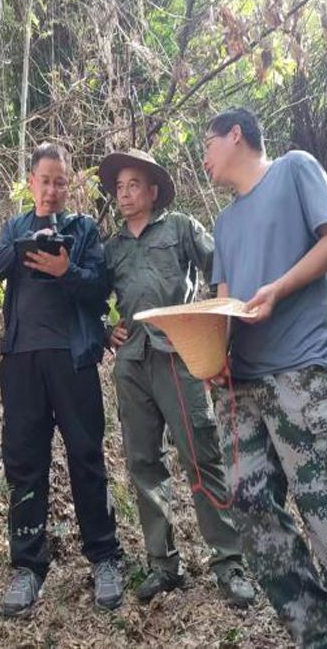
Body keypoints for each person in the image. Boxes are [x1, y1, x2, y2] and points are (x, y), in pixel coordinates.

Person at [204, 108, 327, 647]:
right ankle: (323, 636)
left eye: (208, 143)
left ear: (236, 134)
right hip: (239, 390)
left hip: (302, 377)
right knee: (251, 514)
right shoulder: (223, 223)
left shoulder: (295, 169)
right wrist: (206, 354)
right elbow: (223, 307)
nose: (204, 156)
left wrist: (278, 288)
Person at [100, 149, 255, 606]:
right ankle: (163, 564)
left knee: (200, 454)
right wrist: (106, 328)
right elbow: (88, 295)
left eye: (133, 185)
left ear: (152, 191)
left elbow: (221, 271)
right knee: (143, 463)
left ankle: (229, 563)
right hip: (132, 362)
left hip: (181, 354)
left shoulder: (181, 228)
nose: (124, 194)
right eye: (119, 187)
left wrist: (217, 325)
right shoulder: (111, 248)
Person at [0, 143, 123, 617]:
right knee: (25, 462)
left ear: (70, 185)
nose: (52, 189)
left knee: (86, 455)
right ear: (31, 182)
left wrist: (66, 271)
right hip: (22, 361)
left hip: (73, 358)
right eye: (44, 180)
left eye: (60, 181)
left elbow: (98, 289)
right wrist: (25, 243)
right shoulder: (14, 227)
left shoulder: (84, 230)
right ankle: (27, 566)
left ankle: (105, 557)